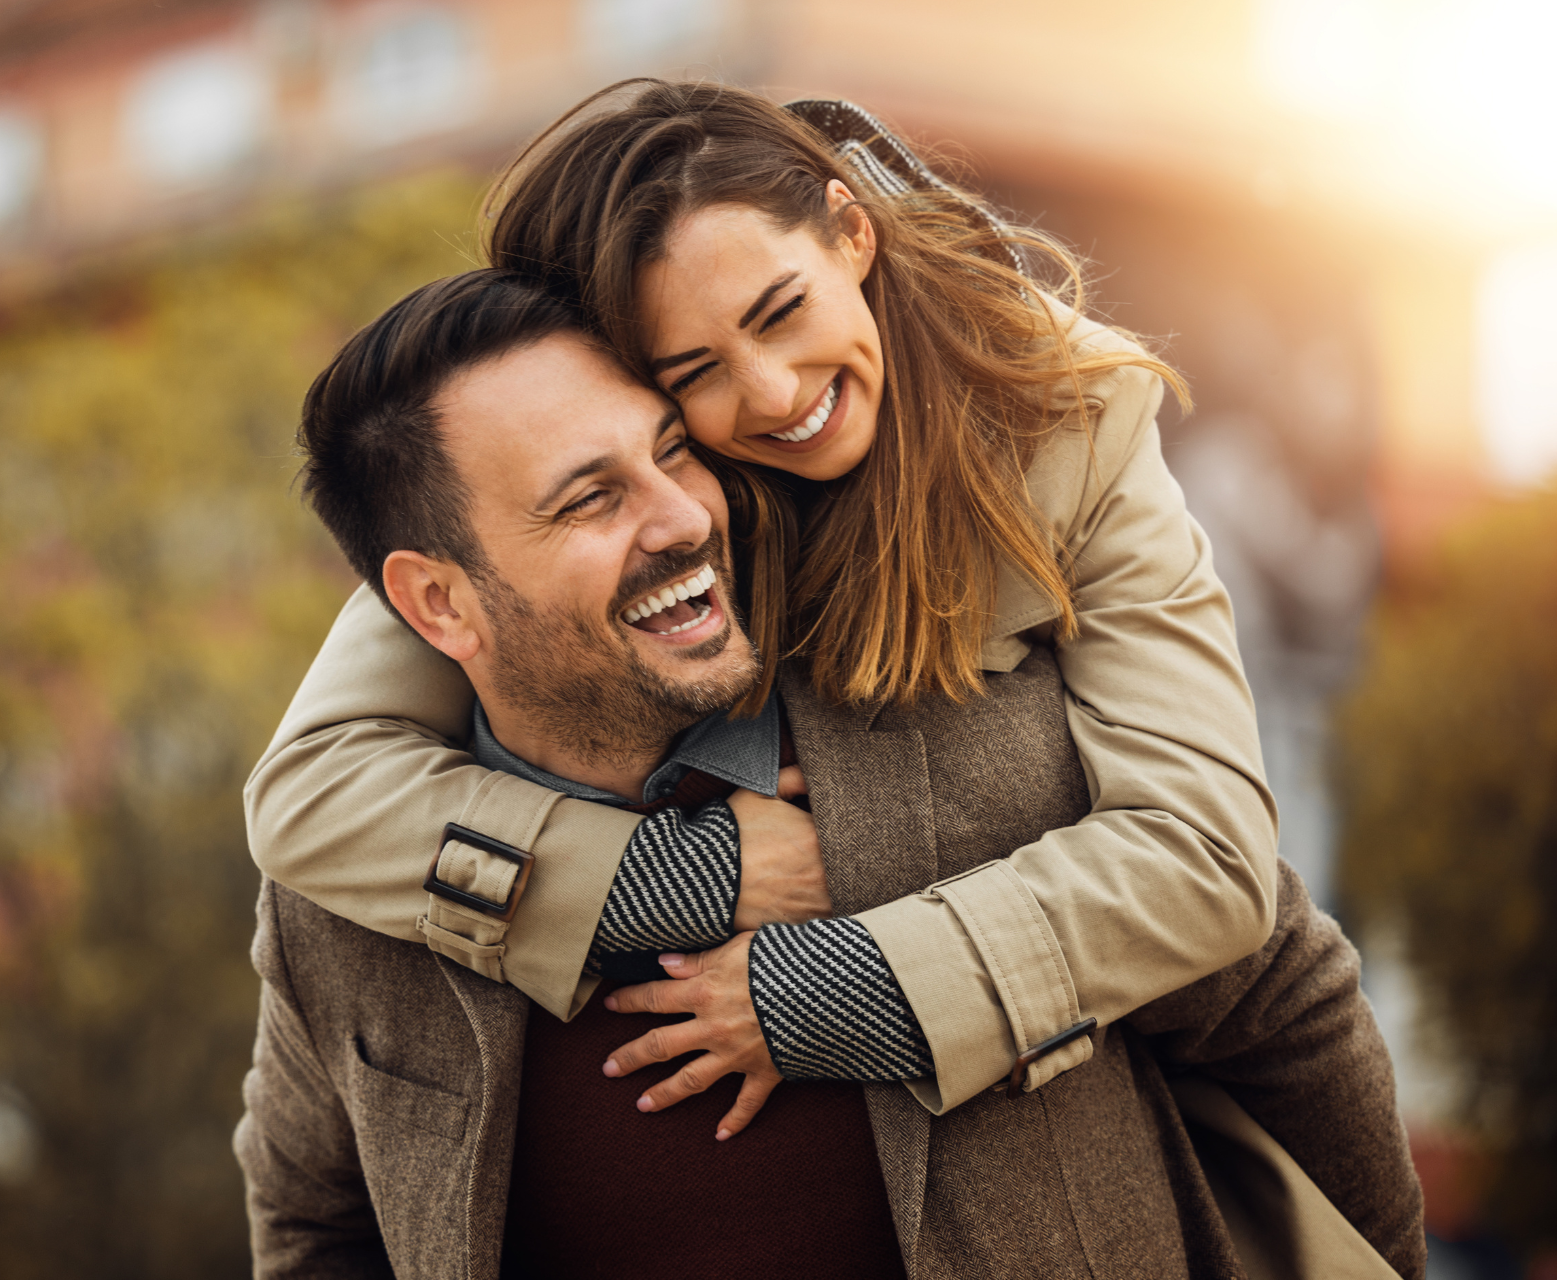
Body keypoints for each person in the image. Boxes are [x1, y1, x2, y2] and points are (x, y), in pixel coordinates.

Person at [234, 267, 1424, 1278]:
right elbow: (315, 1221)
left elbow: (1288, 1011)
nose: (686, 516)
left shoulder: (975, 738)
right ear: (436, 603)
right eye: (591, 498)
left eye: (670, 452)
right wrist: (675, 879)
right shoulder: (349, 905)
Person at [245, 81, 1277, 1130]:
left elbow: (1212, 859)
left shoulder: (1067, 418)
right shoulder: (614, 494)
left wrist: (832, 987)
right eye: (694, 372)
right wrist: (689, 873)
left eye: (781, 311)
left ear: (852, 232)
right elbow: (317, 796)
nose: (777, 395)